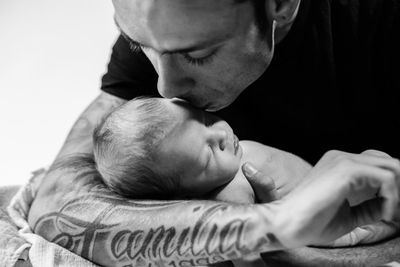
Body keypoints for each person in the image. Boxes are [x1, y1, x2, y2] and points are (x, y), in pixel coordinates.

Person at [28, 0, 400, 266]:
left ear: (281, 7)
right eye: (137, 44)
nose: (165, 87)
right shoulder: (163, 26)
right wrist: (277, 225)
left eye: (198, 54)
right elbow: (55, 206)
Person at [93, 96, 399, 247]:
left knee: (375, 163)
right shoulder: (231, 192)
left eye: (205, 120)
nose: (221, 135)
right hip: (341, 225)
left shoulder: (230, 161)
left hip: (340, 202)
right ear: (186, 193)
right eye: (207, 153)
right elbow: (244, 245)